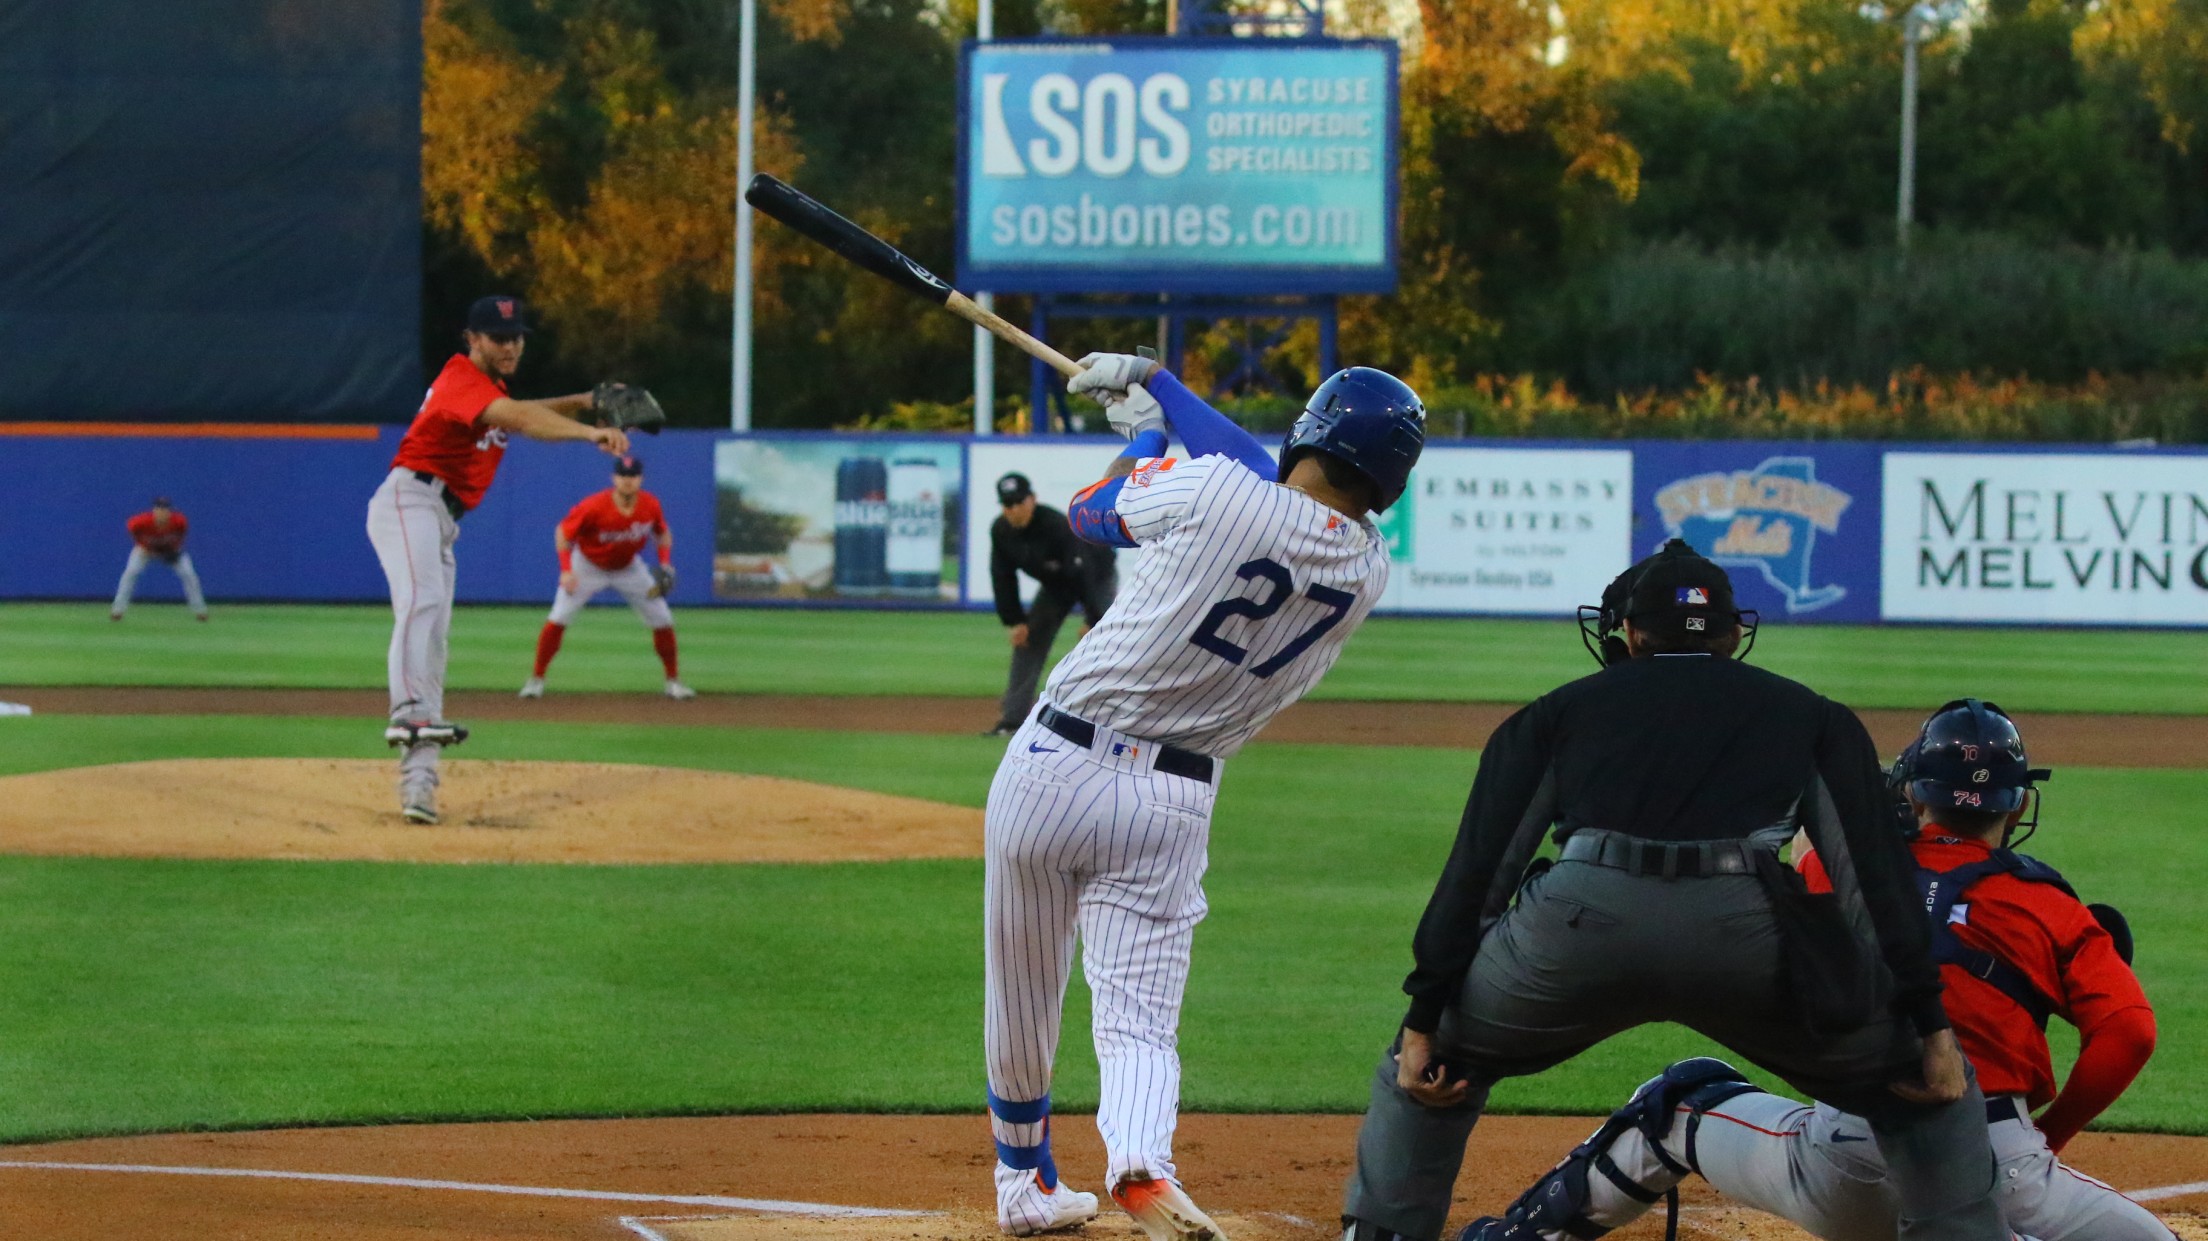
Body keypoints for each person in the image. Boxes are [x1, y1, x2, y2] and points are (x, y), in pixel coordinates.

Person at [1339, 539, 2016, 1241]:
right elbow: (1871, 885)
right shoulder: (1812, 716)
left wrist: (1426, 1018)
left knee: (1429, 1067)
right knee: (1923, 1086)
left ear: (1630, 633)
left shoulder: (1554, 714)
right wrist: (1928, 1028)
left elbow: (1480, 874)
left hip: (1575, 926)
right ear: (1733, 634)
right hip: (1746, 932)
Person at [983, 353, 1425, 1241]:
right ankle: (1141, 1159)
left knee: (1025, 987)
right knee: (1139, 1019)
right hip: (1171, 801)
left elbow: (1088, 516)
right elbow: (1272, 484)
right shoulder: (1367, 568)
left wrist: (1145, 427)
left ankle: (1025, 1181)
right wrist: (1166, 390)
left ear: (1309, 428)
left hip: (1051, 765)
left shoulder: (1217, 490)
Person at [1456, 698, 2167, 1241]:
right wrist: (2054, 1131)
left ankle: (1521, 1234)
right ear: (2017, 803)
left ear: (1914, 792)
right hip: (1996, 1167)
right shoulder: (2046, 901)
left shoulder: (1837, 864)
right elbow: (2129, 1033)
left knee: (1678, 1100)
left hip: (1842, 1164)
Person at [366, 294, 628, 826]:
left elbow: (518, 412)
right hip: (409, 500)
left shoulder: (490, 392)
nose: (509, 345)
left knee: (436, 639)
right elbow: (519, 418)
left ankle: (419, 783)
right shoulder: (461, 378)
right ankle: (407, 713)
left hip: (441, 518)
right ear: (473, 339)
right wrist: (590, 429)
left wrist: (581, 400)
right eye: (497, 337)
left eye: (516, 337)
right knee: (423, 601)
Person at [520, 454, 693, 700]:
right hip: (587, 565)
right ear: (614, 478)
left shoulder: (650, 504)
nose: (628, 481)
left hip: (629, 568)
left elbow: (662, 533)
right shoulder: (594, 506)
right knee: (558, 617)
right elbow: (562, 532)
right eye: (623, 475)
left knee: (662, 619)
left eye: (632, 476)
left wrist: (666, 563)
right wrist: (566, 569)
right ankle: (535, 680)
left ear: (640, 479)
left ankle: (673, 682)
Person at [983, 470, 1117, 736]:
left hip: (1096, 575)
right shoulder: (1001, 531)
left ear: (1032, 499)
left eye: (1019, 502)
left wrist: (1093, 618)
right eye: (1007, 504)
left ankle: (1105, 719)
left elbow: (1085, 569)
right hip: (1057, 585)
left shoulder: (1057, 526)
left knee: (1102, 645)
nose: (1014, 509)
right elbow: (1002, 575)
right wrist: (1014, 621)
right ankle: (1012, 721)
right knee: (1027, 640)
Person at [111, 497, 207, 621]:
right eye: (159, 509)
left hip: (170, 550)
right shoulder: (140, 522)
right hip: (146, 551)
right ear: (154, 511)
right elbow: (132, 530)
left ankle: (200, 611)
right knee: (131, 573)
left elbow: (180, 537)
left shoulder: (179, 522)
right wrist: (145, 547)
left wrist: (174, 551)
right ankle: (117, 610)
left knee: (189, 574)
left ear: (169, 512)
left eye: (165, 509)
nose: (162, 512)